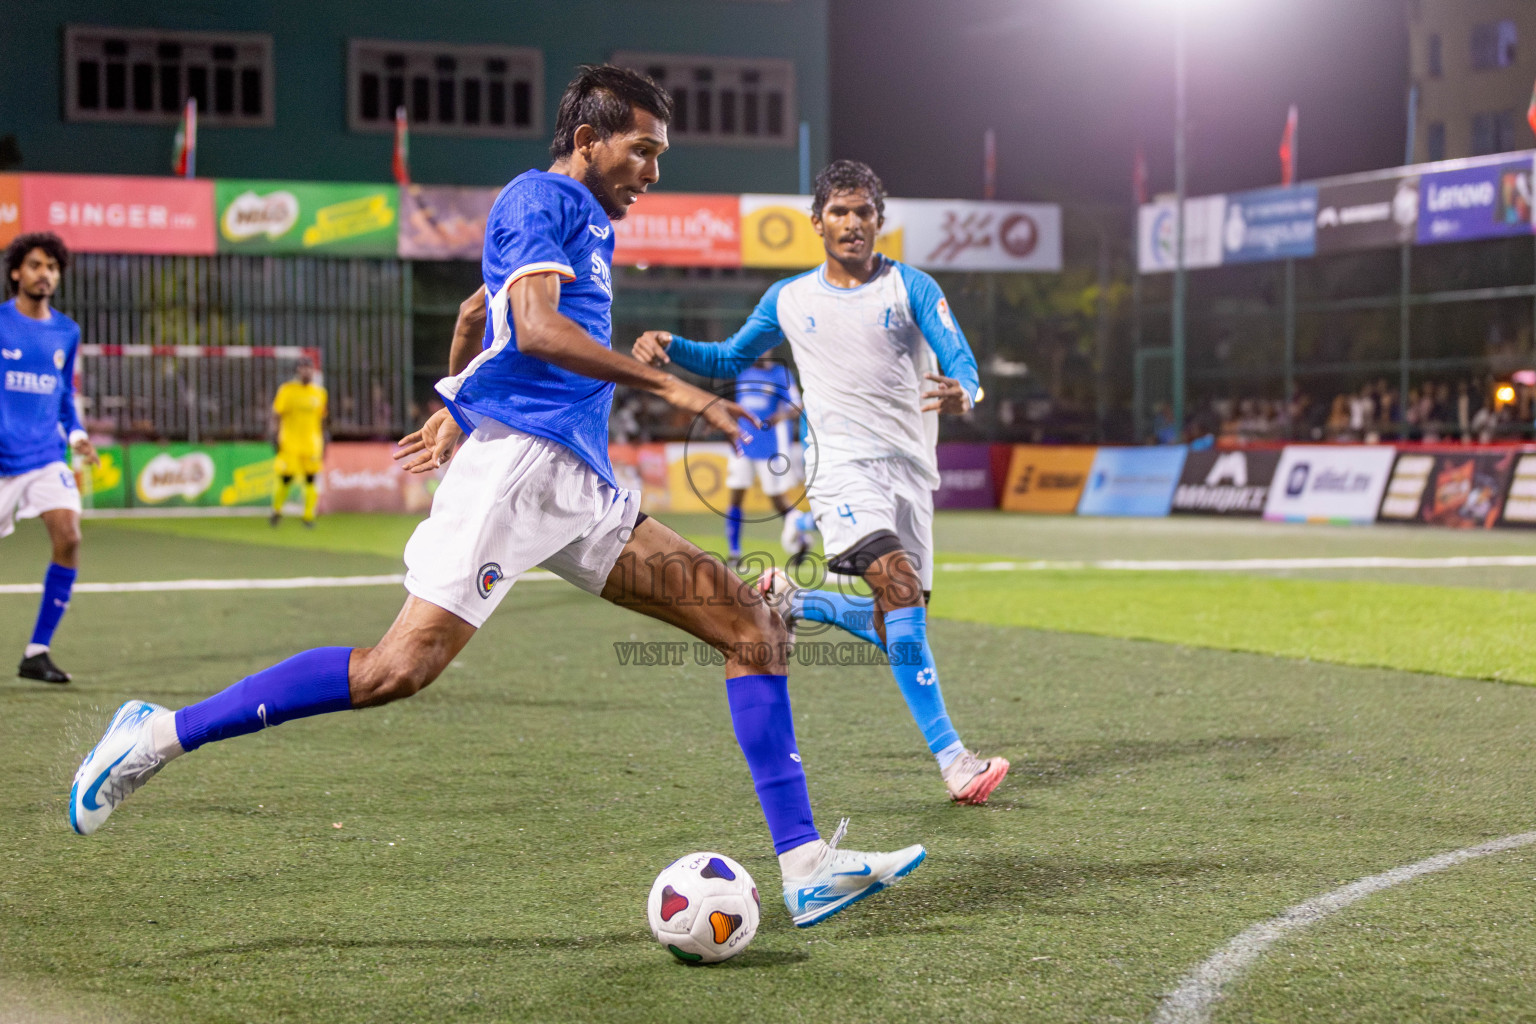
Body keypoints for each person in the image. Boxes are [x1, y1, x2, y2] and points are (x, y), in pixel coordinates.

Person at [69, 66, 924, 930]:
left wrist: (455, 401)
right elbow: (541, 328)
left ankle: (806, 866)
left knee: (748, 622)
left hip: (575, 480)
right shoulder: (535, 198)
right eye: (643, 152)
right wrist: (676, 392)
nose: (653, 174)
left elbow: (493, 311)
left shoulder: (584, 221)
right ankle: (156, 735)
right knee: (393, 672)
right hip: (519, 472)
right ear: (589, 140)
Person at [633, 159, 1009, 806]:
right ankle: (953, 760)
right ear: (818, 222)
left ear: (878, 221)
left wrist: (966, 392)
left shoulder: (911, 287)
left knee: (902, 622)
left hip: (911, 473)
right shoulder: (789, 298)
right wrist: (674, 346)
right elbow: (730, 357)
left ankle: (794, 601)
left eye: (864, 212)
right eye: (840, 211)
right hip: (839, 468)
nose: (853, 223)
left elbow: (961, 359)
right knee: (895, 583)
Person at [1, 232, 99, 684]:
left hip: (44, 456)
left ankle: (37, 652)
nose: (46, 274)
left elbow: (64, 393)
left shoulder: (67, 331)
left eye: (53, 268)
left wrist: (76, 433)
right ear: (17, 272)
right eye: (37, 265)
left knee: (70, 535)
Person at [722, 354, 807, 573]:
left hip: (770, 448)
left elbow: (798, 405)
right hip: (742, 444)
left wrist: (781, 415)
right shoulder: (743, 372)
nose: (761, 352)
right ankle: (734, 552)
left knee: (777, 500)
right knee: (735, 495)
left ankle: (801, 538)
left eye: (765, 348)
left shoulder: (780, 374)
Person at [269, 355, 328, 528]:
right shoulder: (286, 390)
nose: (307, 371)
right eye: (303, 368)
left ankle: (308, 516)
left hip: (312, 444)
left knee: (311, 479)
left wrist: (325, 441)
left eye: (309, 368)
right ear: (297, 370)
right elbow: (276, 415)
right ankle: (276, 511)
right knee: (286, 478)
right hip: (290, 443)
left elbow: (323, 419)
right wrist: (274, 435)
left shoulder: (320, 393)